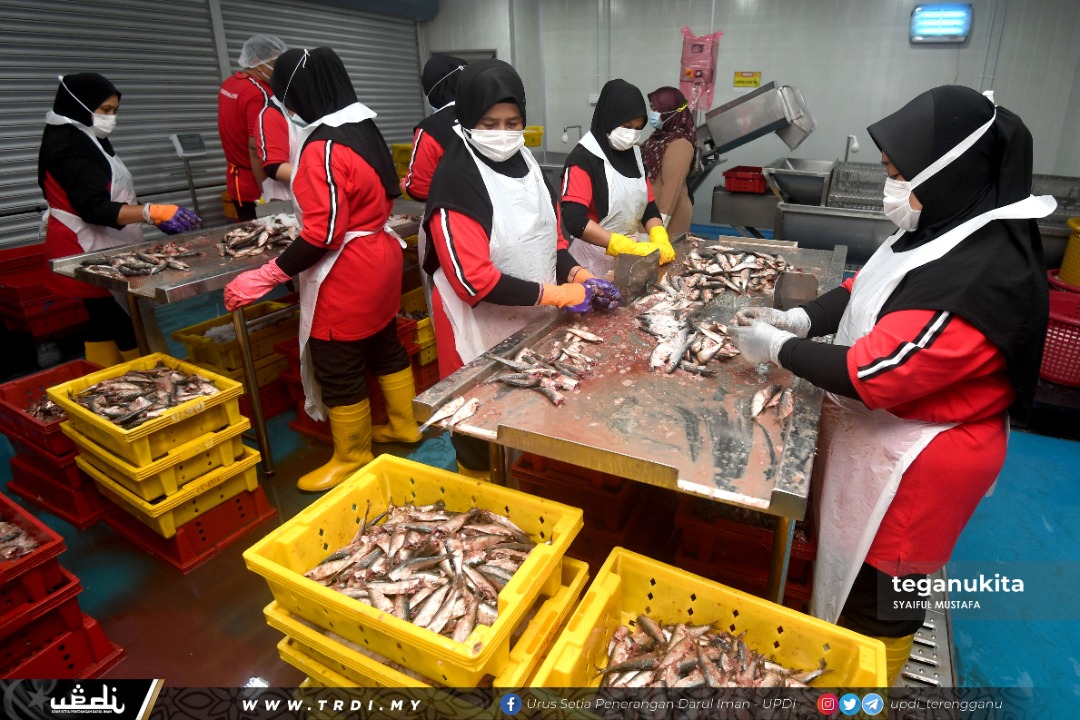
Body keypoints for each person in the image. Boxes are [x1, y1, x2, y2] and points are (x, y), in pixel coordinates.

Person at [730, 85, 1055, 686]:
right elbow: (867, 288)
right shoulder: (939, 227)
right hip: (884, 434)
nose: (891, 188)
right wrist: (800, 320)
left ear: (948, 172)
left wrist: (778, 349)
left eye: (899, 174)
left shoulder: (983, 274)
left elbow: (876, 374)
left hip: (921, 463)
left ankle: (864, 689)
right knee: (847, 578)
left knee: (885, 599)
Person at [223, 47, 421, 493]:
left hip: (348, 269)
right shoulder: (362, 126)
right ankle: (405, 425)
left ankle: (352, 456)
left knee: (337, 359)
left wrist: (268, 274)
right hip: (381, 253)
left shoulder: (322, 147)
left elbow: (321, 234)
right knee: (384, 341)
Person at [422, 59, 622, 479]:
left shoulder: (527, 162)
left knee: (529, 413)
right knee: (479, 425)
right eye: (489, 122)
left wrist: (576, 275)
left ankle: (526, 480)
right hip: (477, 326)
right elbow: (471, 279)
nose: (502, 133)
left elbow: (550, 240)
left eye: (512, 122)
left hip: (529, 318)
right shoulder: (456, 181)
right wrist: (554, 295)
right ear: (467, 120)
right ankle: (479, 490)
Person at [39, 73, 200, 367]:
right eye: (105, 110)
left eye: (114, 111)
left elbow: (111, 190)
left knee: (102, 322)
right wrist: (151, 212)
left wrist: (145, 213)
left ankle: (102, 376)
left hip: (105, 242)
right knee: (124, 324)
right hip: (84, 248)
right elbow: (93, 208)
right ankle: (152, 376)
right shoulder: (69, 147)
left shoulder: (88, 136)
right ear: (78, 105)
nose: (111, 118)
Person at [557, 79, 675, 280]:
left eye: (638, 128)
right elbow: (574, 220)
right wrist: (620, 244)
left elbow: (648, 207)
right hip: (591, 262)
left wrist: (659, 235)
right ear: (608, 118)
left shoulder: (635, 155)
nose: (631, 135)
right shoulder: (583, 159)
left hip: (630, 259)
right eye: (626, 125)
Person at [217, 34, 290, 220]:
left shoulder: (230, 84)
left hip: (236, 182)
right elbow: (256, 146)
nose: (280, 70)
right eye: (275, 64)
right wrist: (266, 193)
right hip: (256, 185)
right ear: (257, 62)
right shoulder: (259, 94)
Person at [640, 86, 695, 237]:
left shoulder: (680, 144)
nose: (652, 114)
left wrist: (658, 228)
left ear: (671, 110)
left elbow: (672, 189)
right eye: (651, 108)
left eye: (656, 109)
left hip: (667, 219)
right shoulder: (658, 138)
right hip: (651, 215)